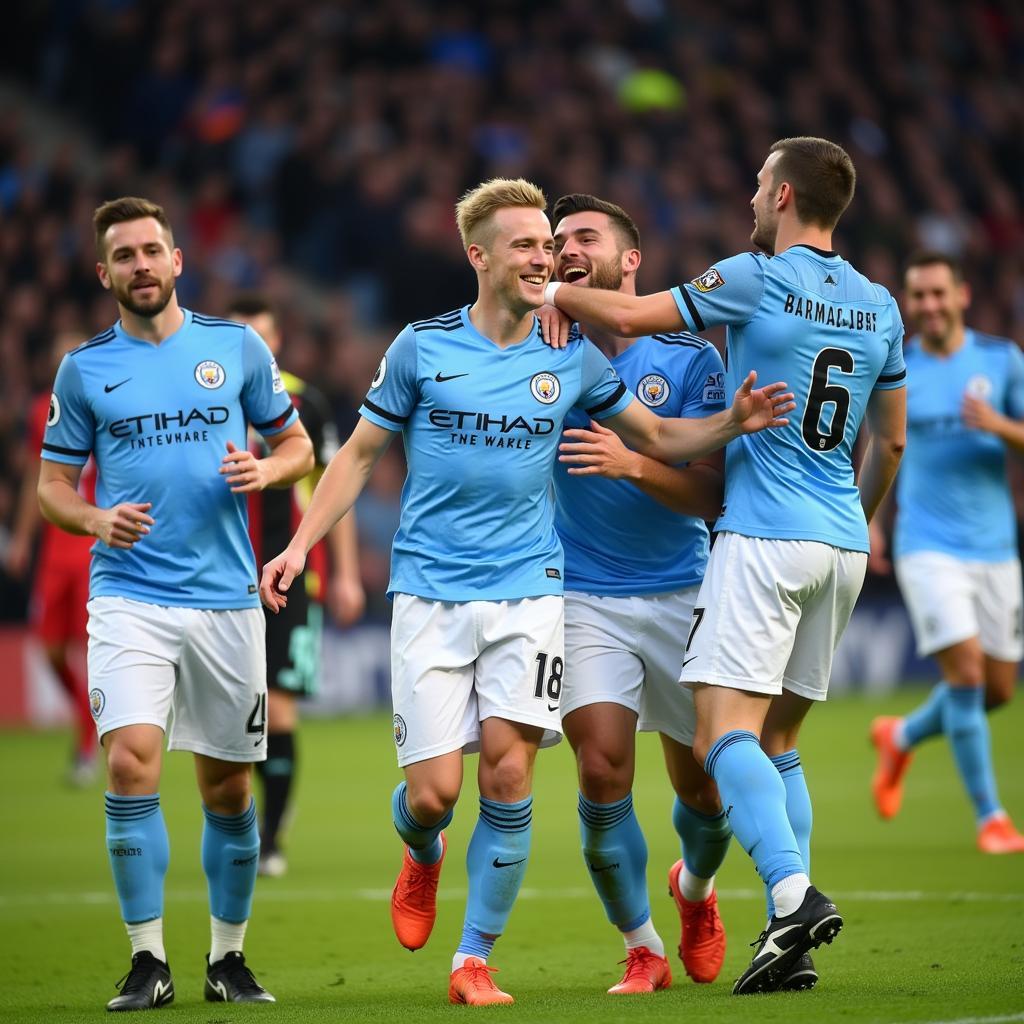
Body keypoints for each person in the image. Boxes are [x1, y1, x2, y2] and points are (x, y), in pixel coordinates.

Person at [259, 178, 793, 1006]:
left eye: (555, 244)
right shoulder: (422, 347)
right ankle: (434, 855)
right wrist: (299, 544)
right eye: (533, 245)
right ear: (479, 256)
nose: (549, 257)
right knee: (446, 793)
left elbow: (658, 438)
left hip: (556, 593)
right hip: (452, 593)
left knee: (542, 779)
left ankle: (479, 959)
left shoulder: (579, 355)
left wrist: (731, 423)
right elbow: (360, 455)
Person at [545, 137, 907, 994]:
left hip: (762, 537)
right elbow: (889, 438)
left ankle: (789, 900)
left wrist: (540, 286)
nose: (751, 197)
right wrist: (857, 518)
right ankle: (791, 948)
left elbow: (627, 319)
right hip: (841, 543)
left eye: (757, 184)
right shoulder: (877, 301)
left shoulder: (757, 277)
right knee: (778, 743)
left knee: (720, 735)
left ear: (783, 196)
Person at [38, 197, 314, 1011]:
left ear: (178, 259)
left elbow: (296, 445)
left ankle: (227, 960)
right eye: (124, 257)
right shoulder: (85, 368)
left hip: (226, 602)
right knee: (128, 761)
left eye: (152, 250)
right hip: (130, 596)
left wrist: (267, 472)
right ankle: (146, 960)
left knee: (227, 789)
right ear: (105, 274)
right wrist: (94, 518)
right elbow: (52, 486)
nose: (142, 266)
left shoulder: (235, 348)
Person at [548, 193, 732, 995]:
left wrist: (635, 466)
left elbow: (714, 497)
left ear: (630, 262)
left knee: (705, 784)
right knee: (599, 771)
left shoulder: (692, 360)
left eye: (585, 236)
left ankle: (694, 891)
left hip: (684, 591)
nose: (565, 249)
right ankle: (643, 947)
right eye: (556, 241)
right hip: (582, 597)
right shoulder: (534, 354)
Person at [869, 251, 1024, 854]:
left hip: (995, 548)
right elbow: (884, 445)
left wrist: (998, 425)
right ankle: (991, 817)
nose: (929, 305)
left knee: (998, 690)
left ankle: (901, 736)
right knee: (964, 674)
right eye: (918, 295)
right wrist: (874, 523)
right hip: (926, 547)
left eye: (939, 293)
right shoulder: (897, 366)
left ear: (962, 295)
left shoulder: (1000, 360)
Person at [227, 293, 366, 878]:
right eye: (242, 337)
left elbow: (338, 489)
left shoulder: (304, 402)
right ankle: (238, 824)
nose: (253, 347)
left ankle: (273, 836)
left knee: (278, 711)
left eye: (261, 336)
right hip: (222, 579)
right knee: (237, 716)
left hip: (289, 578)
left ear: (276, 340)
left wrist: (348, 575)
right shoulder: (205, 401)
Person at [7, 332, 98, 786]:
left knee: (96, 651)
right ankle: (91, 721)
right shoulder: (41, 410)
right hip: (54, 552)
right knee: (49, 650)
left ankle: (89, 742)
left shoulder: (110, 402)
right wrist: (23, 538)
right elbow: (33, 479)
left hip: (95, 547)